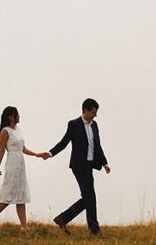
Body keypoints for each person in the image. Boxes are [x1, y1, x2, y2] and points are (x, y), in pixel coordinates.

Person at [44, 98, 111, 236]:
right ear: (85, 110)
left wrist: (105, 163)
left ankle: (63, 218)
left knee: (88, 197)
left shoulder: (94, 125)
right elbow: (64, 142)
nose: (95, 115)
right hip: (79, 166)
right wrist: (50, 153)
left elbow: (97, 146)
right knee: (90, 197)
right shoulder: (74, 124)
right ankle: (94, 230)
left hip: (90, 165)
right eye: (93, 112)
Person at [0, 106, 50, 231]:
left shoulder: (17, 130)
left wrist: (37, 154)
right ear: (10, 117)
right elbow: (2, 151)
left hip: (20, 163)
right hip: (12, 163)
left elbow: (23, 148)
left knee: (21, 195)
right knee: (8, 194)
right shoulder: (5, 131)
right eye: (17, 114)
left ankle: (24, 227)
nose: (19, 116)